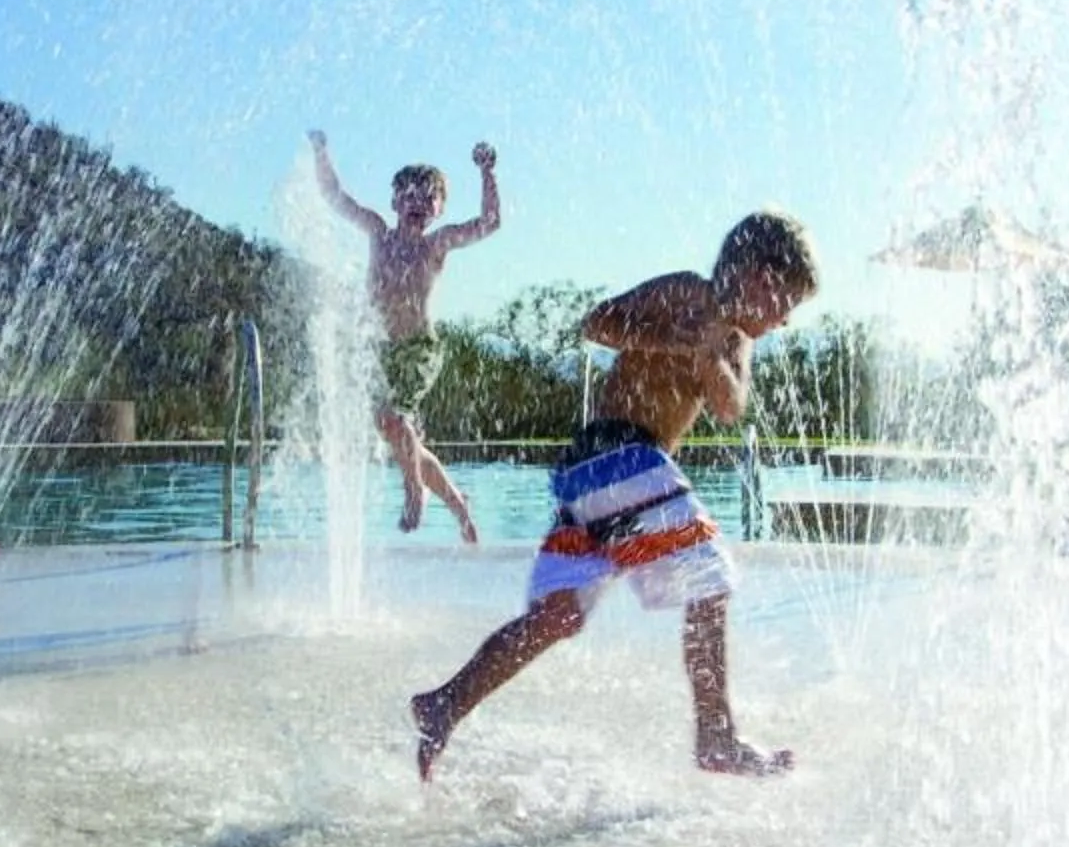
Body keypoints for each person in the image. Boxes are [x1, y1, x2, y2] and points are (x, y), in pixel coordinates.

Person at [411, 211, 819, 782]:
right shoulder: (684, 291)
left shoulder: (734, 340)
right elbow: (596, 323)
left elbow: (729, 407)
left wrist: (707, 354)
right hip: (617, 453)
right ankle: (717, 737)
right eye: (785, 302)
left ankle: (444, 702)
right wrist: (671, 337)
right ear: (758, 275)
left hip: (601, 478)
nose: (783, 320)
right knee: (710, 577)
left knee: (557, 616)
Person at [309, 130, 502, 541]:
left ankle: (414, 489)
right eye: (410, 195)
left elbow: (490, 223)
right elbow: (334, 196)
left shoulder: (437, 245)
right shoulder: (378, 234)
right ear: (395, 201)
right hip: (381, 350)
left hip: (419, 349)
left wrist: (487, 171)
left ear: (440, 208)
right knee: (401, 437)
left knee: (393, 422)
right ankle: (458, 505)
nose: (418, 203)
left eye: (429, 197)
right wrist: (321, 151)